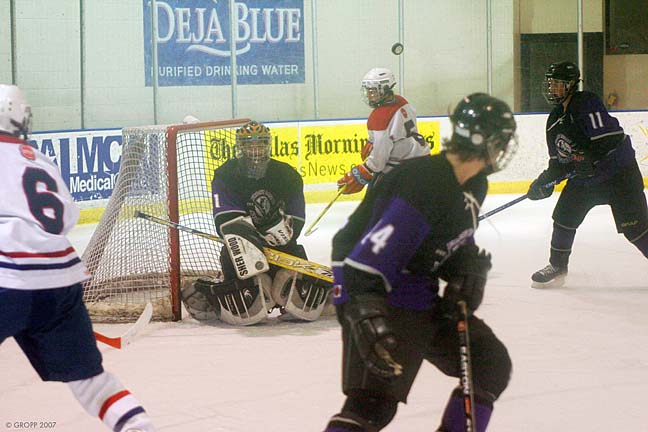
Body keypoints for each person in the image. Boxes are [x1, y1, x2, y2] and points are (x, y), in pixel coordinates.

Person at [324, 93, 517, 432]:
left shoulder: (474, 183)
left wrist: (466, 268)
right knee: (373, 403)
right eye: (501, 140)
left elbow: (445, 238)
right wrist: (365, 310)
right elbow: (367, 258)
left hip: (415, 291)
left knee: (489, 363)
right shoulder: (427, 181)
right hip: (371, 288)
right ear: (487, 142)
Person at [0, 84, 156, 432]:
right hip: (60, 282)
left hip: (7, 278)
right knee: (90, 382)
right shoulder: (40, 159)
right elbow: (66, 218)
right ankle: (138, 427)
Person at [181, 120, 330, 325]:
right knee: (248, 311)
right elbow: (226, 220)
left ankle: (309, 293)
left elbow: (296, 216)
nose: (255, 149)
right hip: (243, 253)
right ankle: (214, 296)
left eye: (259, 143)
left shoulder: (287, 174)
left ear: (268, 145)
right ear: (240, 147)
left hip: (283, 251)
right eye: (249, 144)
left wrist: (286, 231)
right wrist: (257, 236)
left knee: (303, 308)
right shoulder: (226, 174)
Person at [527, 61, 648, 288]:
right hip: (586, 180)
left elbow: (609, 138)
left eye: (557, 83)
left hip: (618, 176)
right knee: (563, 216)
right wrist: (543, 182)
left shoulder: (586, 102)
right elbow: (559, 163)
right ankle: (557, 267)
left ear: (571, 85)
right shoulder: (554, 120)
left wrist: (589, 159)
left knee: (636, 230)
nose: (552, 88)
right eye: (551, 83)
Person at [337, 67, 430, 194]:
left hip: (401, 168)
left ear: (385, 89)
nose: (369, 95)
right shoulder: (401, 101)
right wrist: (373, 140)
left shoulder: (379, 116)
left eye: (373, 91)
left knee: (375, 199)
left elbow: (379, 161)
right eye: (367, 91)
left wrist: (364, 170)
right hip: (423, 160)